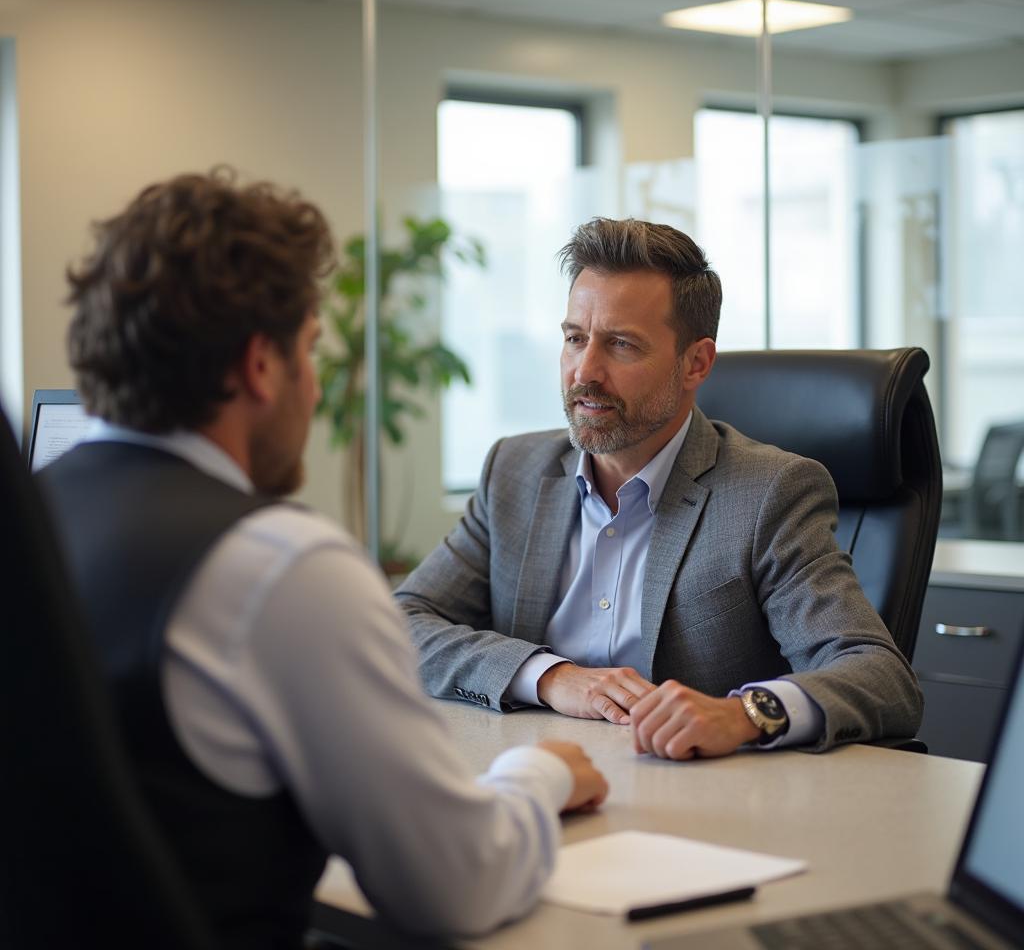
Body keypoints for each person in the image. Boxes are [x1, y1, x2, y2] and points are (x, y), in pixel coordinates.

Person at [37, 169, 608, 950]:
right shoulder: (278, 565)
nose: (316, 390)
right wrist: (540, 776)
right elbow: (456, 882)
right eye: (310, 350)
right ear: (260, 367)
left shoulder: (37, 518)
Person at [397, 216, 924, 761]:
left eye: (621, 345)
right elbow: (402, 624)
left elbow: (881, 677)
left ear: (695, 363)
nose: (585, 372)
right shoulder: (515, 471)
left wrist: (743, 713)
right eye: (575, 339)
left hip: (701, 803)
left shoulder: (769, 493)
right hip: (540, 778)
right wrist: (550, 676)